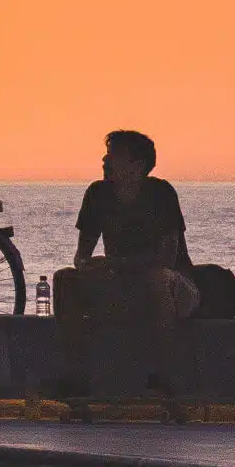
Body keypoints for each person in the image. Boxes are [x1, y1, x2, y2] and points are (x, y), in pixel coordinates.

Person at [50, 130, 192, 420]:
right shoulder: (97, 194)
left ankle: (164, 380)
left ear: (137, 166)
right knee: (64, 280)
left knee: (157, 280)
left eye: (114, 155)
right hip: (123, 283)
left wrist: (115, 264)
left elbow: (166, 259)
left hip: (176, 286)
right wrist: (86, 266)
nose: (104, 159)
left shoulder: (161, 193)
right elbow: (82, 254)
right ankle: (76, 380)